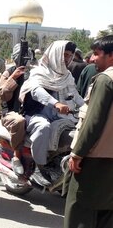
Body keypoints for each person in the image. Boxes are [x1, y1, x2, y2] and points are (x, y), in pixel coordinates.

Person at [65, 35, 113, 228]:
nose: (92, 59)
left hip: (95, 159)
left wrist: (77, 154)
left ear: (111, 56)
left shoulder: (105, 80)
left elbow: (94, 122)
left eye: (96, 54)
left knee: (80, 211)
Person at [19, 40, 83, 185]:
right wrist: (56, 103)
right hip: (36, 114)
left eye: (70, 56)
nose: (67, 59)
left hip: (59, 117)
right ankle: (38, 167)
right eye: (65, 55)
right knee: (43, 127)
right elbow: (36, 91)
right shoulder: (39, 72)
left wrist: (87, 107)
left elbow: (75, 95)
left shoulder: (67, 76)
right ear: (55, 54)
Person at [0, 43, 28, 175]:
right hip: (10, 112)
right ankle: (16, 156)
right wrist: (13, 77)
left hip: (28, 110)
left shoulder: (32, 73)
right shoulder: (9, 72)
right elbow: (2, 93)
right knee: (19, 121)